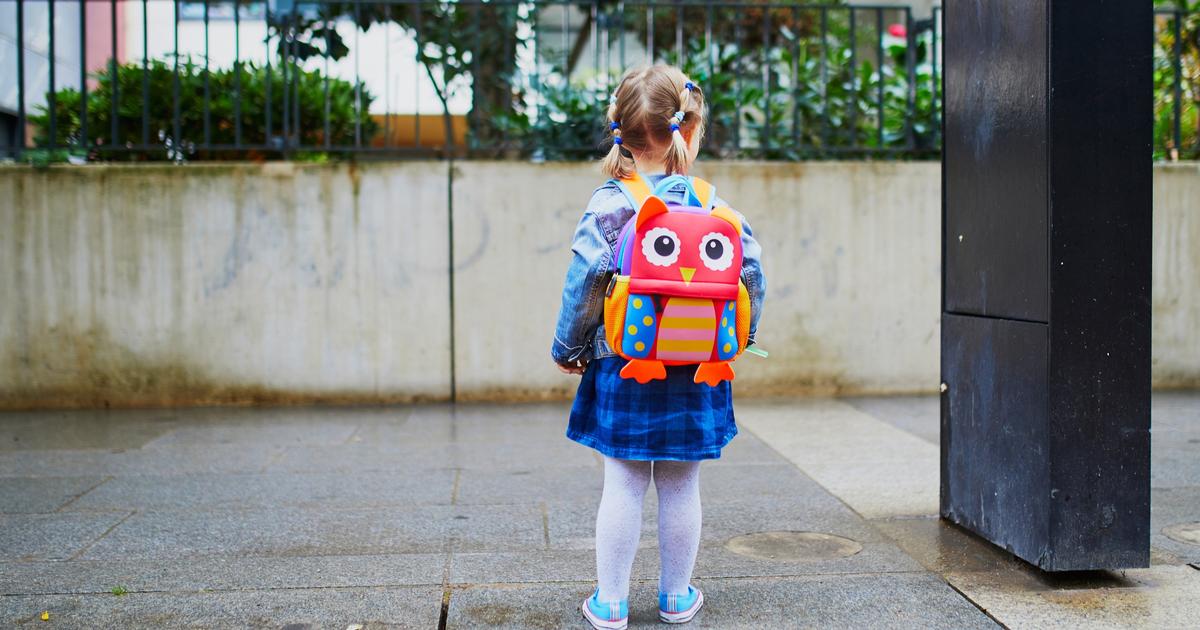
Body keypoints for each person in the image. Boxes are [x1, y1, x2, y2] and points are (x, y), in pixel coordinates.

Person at [551, 64, 766, 629]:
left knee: (622, 481)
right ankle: (675, 597)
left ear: (618, 132)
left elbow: (585, 284)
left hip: (625, 362)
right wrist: (739, 340)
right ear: (689, 133)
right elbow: (751, 277)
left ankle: (611, 602)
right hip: (699, 366)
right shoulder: (718, 209)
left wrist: (568, 347)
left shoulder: (607, 205)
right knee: (680, 483)